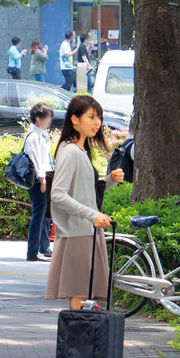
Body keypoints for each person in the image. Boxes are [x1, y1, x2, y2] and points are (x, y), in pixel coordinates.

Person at [45, 95, 124, 310]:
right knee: (80, 293)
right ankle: (78, 333)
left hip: (85, 231)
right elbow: (58, 194)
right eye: (91, 117)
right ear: (75, 119)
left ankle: (82, 332)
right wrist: (93, 215)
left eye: (99, 117)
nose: (97, 123)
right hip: (78, 232)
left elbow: (84, 191)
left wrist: (109, 180)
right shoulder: (71, 151)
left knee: (85, 294)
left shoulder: (80, 150)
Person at [25, 103, 55, 261]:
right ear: (38, 118)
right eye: (48, 117)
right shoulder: (33, 136)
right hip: (39, 180)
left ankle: (44, 247)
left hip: (44, 178)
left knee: (44, 214)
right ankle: (32, 252)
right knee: (39, 213)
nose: (50, 120)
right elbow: (36, 159)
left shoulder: (40, 134)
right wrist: (42, 179)